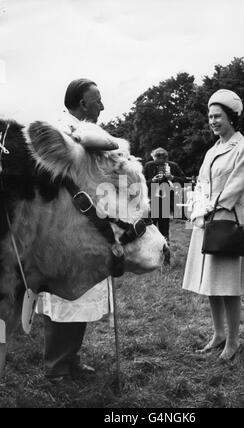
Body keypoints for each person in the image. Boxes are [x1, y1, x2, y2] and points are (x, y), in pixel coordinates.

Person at [37, 78, 113, 383]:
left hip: (86, 227)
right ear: (83, 103)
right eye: (98, 101)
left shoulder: (82, 129)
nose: (103, 106)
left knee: (81, 295)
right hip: (63, 229)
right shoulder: (61, 130)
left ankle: (71, 358)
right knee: (64, 298)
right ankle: (56, 366)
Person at [182, 90, 244, 361]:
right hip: (206, 221)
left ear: (231, 118)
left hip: (226, 222)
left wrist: (211, 206)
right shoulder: (212, 150)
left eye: (218, 116)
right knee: (210, 282)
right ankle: (218, 333)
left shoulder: (243, 146)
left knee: (228, 284)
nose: (213, 121)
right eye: (210, 116)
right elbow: (202, 184)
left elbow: (237, 186)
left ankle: (233, 340)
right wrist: (196, 205)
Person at [143, 148, 186, 264]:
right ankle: (150, 259)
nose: (160, 163)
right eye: (157, 161)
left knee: (164, 231)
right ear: (153, 158)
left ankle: (166, 260)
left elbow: (184, 181)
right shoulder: (148, 166)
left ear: (166, 158)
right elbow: (140, 183)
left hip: (165, 202)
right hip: (150, 201)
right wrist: (152, 180)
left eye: (162, 161)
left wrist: (173, 178)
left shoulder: (173, 166)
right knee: (149, 231)